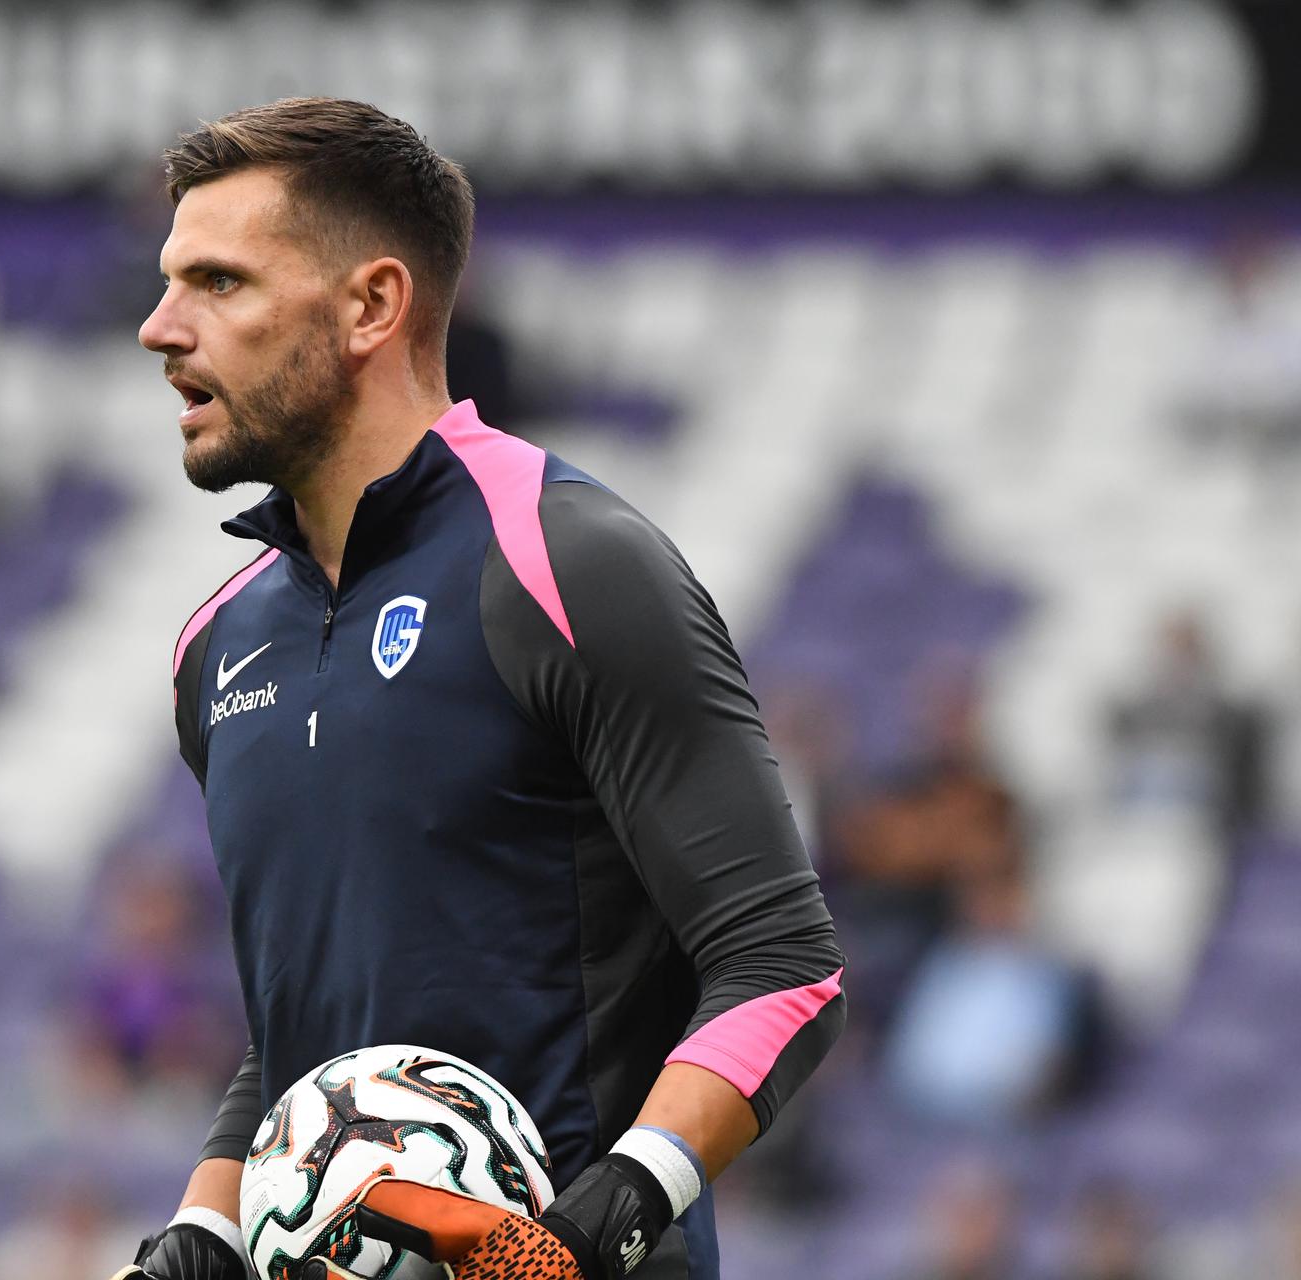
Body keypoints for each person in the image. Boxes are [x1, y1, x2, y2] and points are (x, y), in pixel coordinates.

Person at [123, 98, 844, 1280]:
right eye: (168, 282)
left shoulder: (570, 562)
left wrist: (601, 1219)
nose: (160, 327)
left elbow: (783, 963)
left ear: (371, 305)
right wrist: (205, 1227)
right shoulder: (217, 644)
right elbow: (307, 1030)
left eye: (219, 282)